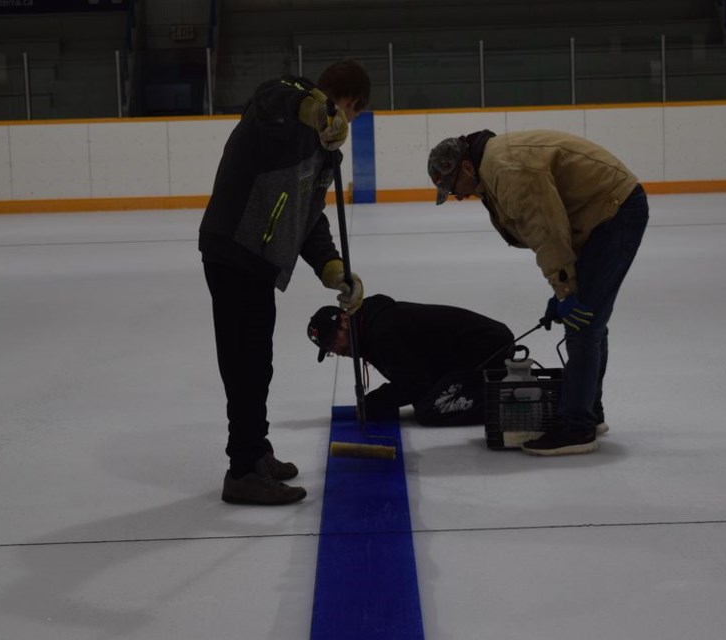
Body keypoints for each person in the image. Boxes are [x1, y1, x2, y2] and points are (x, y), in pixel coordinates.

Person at [199, 60, 371, 505]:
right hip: (234, 248)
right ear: (349, 104)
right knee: (245, 364)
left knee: (258, 362)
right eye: (348, 114)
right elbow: (274, 93)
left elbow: (307, 217)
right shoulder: (283, 106)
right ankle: (242, 470)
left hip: (259, 261)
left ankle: (257, 451)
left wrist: (332, 267)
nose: (343, 125)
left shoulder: (325, 151)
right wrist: (318, 109)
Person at [427, 129, 648, 456]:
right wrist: (564, 288)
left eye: (453, 188)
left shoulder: (507, 170)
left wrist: (565, 290)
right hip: (600, 216)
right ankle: (589, 410)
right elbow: (555, 226)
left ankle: (577, 427)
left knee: (584, 321)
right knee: (589, 318)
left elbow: (547, 230)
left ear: (466, 169)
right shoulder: (494, 168)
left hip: (613, 211)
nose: (458, 196)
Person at [307, 294, 515, 426]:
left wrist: (373, 403)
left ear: (344, 320)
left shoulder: (381, 333)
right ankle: (497, 384)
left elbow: (414, 385)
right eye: (329, 349)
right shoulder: (367, 327)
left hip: (486, 347)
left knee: (431, 409)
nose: (338, 349)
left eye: (334, 340)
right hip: (461, 354)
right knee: (424, 400)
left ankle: (506, 400)